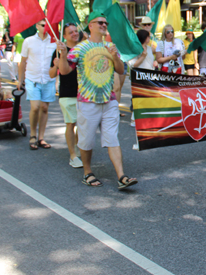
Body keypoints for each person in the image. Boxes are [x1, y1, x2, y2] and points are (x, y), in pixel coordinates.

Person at [57, 11, 138, 190]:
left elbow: (120, 70)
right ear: (90, 25)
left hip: (109, 101)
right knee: (86, 141)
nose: (104, 25)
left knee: (112, 138)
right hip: (88, 102)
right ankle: (87, 172)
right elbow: (64, 71)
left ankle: (121, 176)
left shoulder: (110, 46)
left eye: (105, 23)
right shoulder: (79, 48)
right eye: (100, 23)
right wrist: (63, 55)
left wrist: (115, 55)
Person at [18, 20, 56, 150]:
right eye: (42, 25)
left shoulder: (55, 41)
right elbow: (23, 61)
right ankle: (32, 135)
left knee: (44, 108)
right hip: (32, 79)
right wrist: (20, 80)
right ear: (36, 26)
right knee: (35, 107)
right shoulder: (28, 41)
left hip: (48, 79)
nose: (45, 27)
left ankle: (41, 137)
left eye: (47, 25)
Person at [49, 23, 83, 168]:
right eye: (71, 32)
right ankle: (72, 156)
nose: (75, 34)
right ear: (64, 36)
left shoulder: (83, 49)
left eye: (76, 31)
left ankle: (77, 147)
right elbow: (50, 74)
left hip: (84, 93)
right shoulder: (59, 51)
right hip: (67, 92)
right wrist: (57, 64)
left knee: (82, 125)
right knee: (71, 123)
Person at [128, 29, 156, 127]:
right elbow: (133, 64)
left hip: (150, 76)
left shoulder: (149, 48)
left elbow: (151, 60)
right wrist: (142, 57)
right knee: (139, 98)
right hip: (139, 77)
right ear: (144, 38)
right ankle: (134, 119)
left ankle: (147, 119)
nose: (149, 38)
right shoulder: (136, 49)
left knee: (149, 98)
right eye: (148, 36)